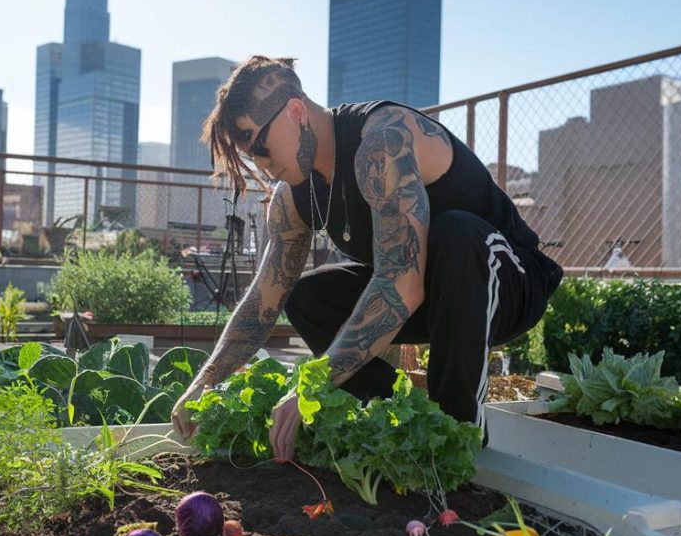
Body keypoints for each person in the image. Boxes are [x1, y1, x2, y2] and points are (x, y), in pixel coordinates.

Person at [170, 56, 563, 462]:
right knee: (306, 296)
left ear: (296, 112)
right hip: (431, 297)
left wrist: (312, 383)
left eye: (261, 146)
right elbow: (260, 305)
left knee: (455, 232)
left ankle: (456, 437)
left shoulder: (381, 141)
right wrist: (206, 380)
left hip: (508, 280)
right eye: (250, 156)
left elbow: (402, 281)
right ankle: (402, 417)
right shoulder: (291, 197)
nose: (261, 165)